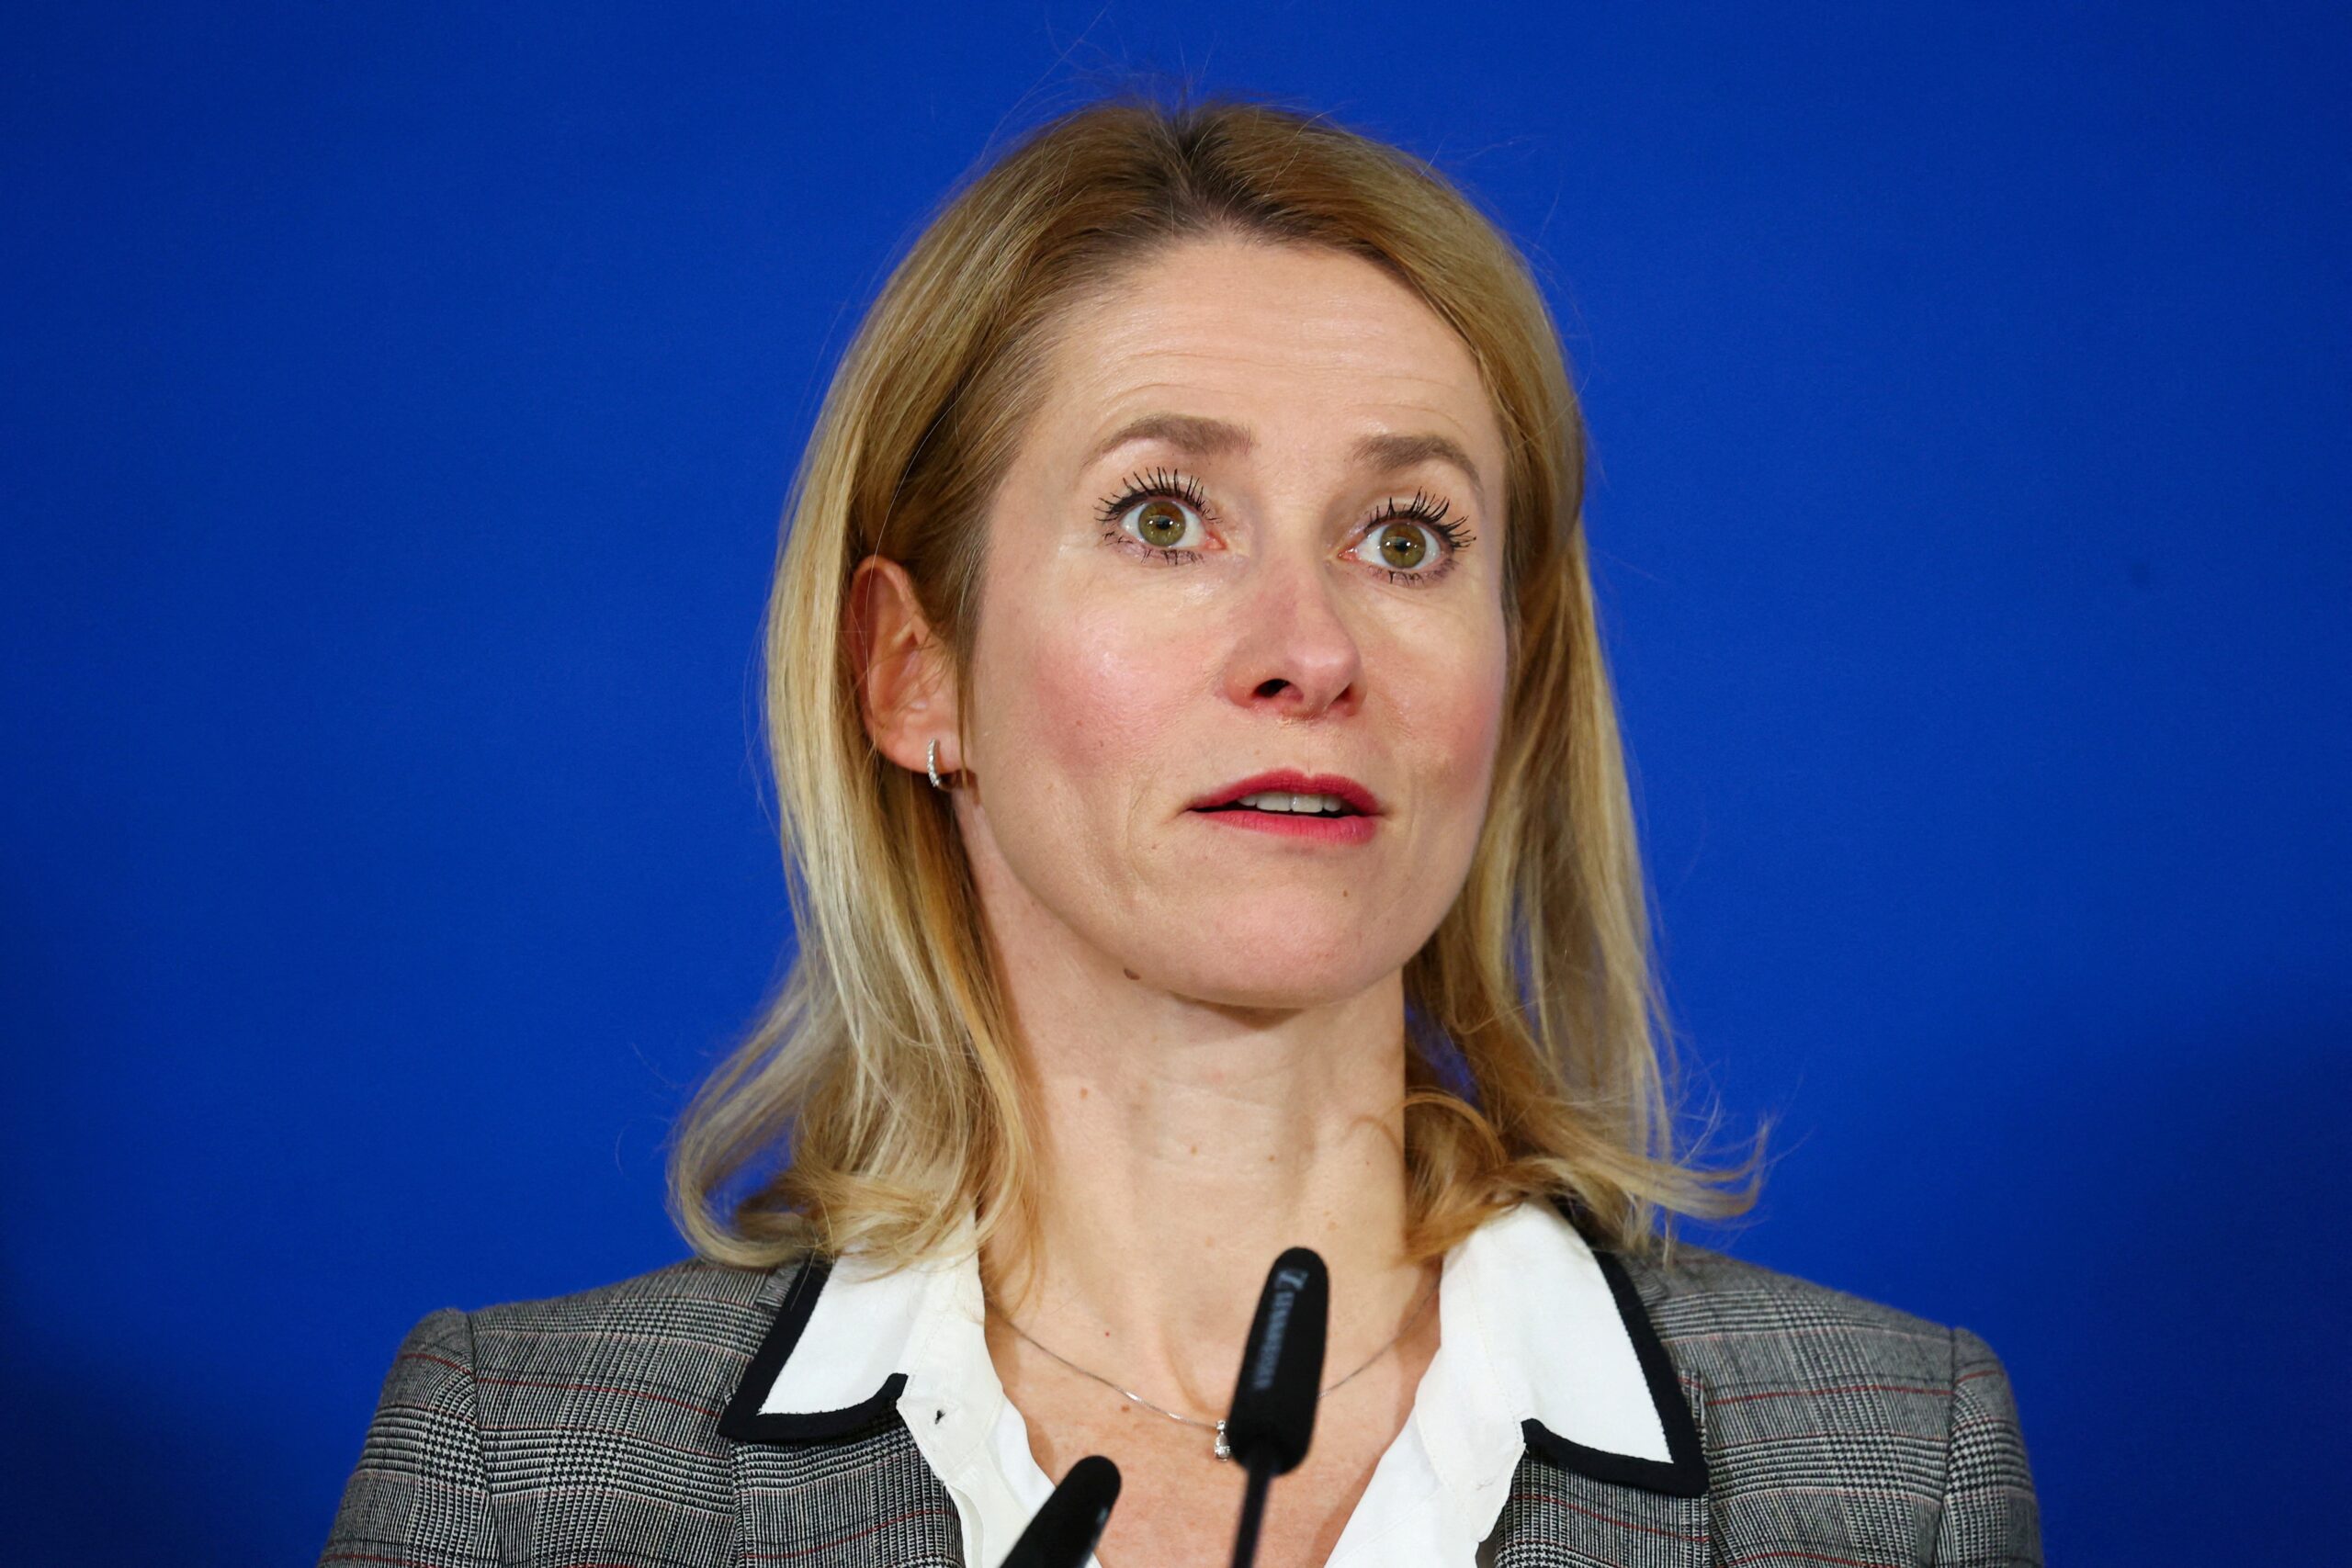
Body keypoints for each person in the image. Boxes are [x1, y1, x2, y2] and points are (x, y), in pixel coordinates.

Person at [320, 91, 2041, 1568]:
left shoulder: (1889, 1476)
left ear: (1515, 686)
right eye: (1163, 517)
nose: (1311, 650)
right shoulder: (525, 1471)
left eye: (1407, 538)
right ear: (915, 670)